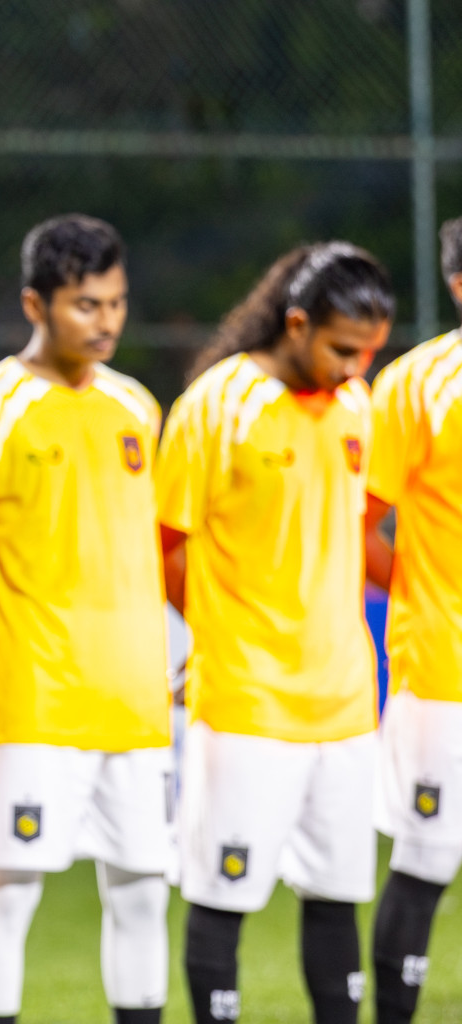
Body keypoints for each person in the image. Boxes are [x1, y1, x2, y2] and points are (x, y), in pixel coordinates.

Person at [0, 215, 173, 1023]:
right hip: (33, 698)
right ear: (36, 302)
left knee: (141, 892)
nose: (105, 321)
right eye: (85, 304)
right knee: (10, 892)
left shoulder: (138, 406)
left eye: (116, 302)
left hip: (136, 704)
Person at [157, 243, 393, 1024]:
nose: (356, 366)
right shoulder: (216, 405)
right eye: (342, 348)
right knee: (223, 895)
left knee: (336, 896)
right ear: (295, 323)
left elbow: (358, 534)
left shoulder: (360, 408)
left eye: (369, 352)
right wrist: (217, 630)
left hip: (348, 707)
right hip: (247, 703)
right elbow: (162, 546)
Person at [365, 214, 462, 1024]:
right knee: (426, 859)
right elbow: (357, 521)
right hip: (443, 669)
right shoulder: (416, 384)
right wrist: (421, 587)